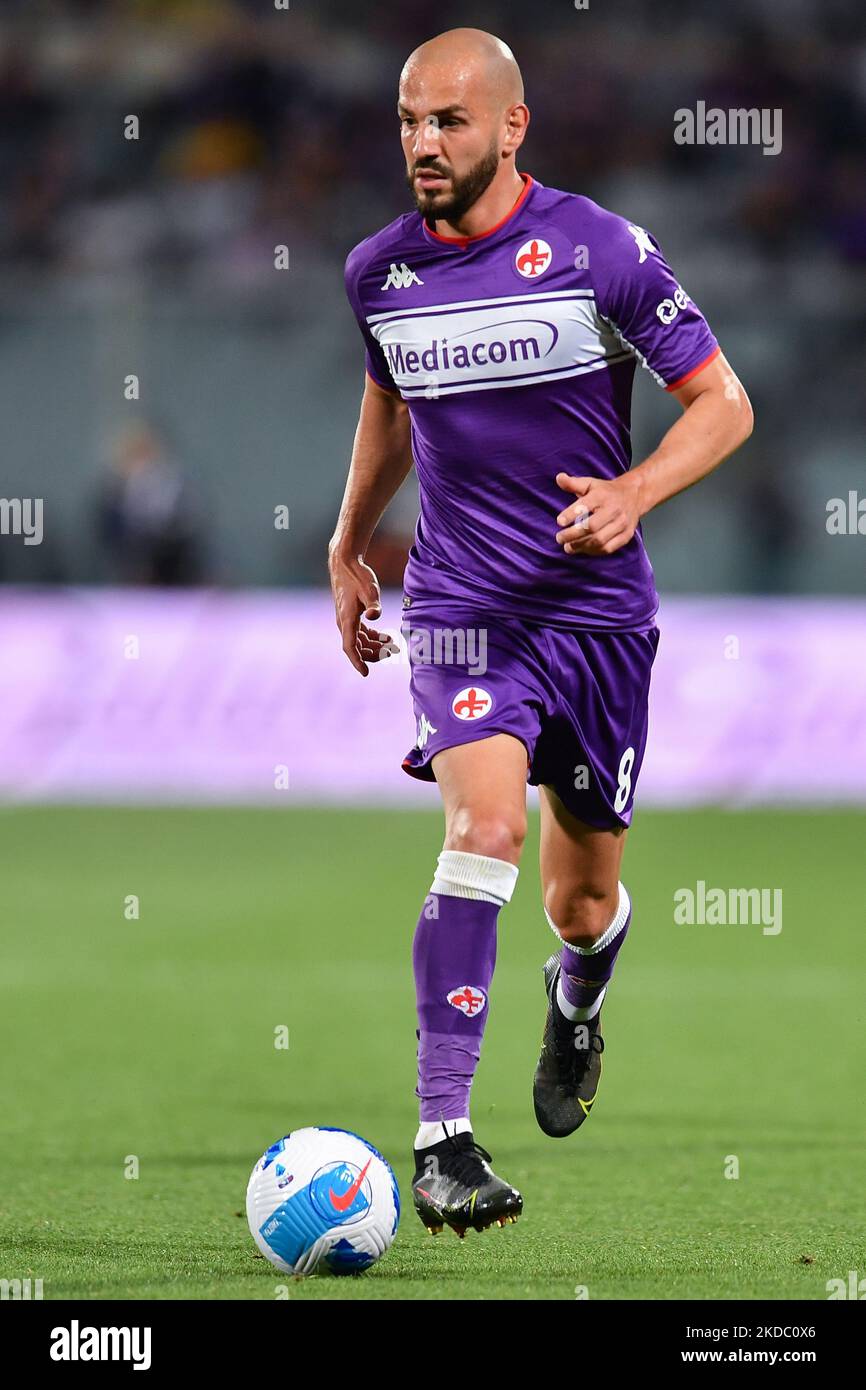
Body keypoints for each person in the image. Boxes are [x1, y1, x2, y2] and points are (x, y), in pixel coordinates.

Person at [328, 27, 753, 1238]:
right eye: (408, 119)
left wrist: (634, 492)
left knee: (579, 902)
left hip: (597, 616)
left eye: (447, 121)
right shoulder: (376, 272)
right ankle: (441, 1136)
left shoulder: (598, 249)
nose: (421, 142)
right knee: (485, 825)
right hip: (464, 609)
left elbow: (723, 403)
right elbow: (390, 409)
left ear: (510, 127)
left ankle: (574, 1003)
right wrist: (348, 543)